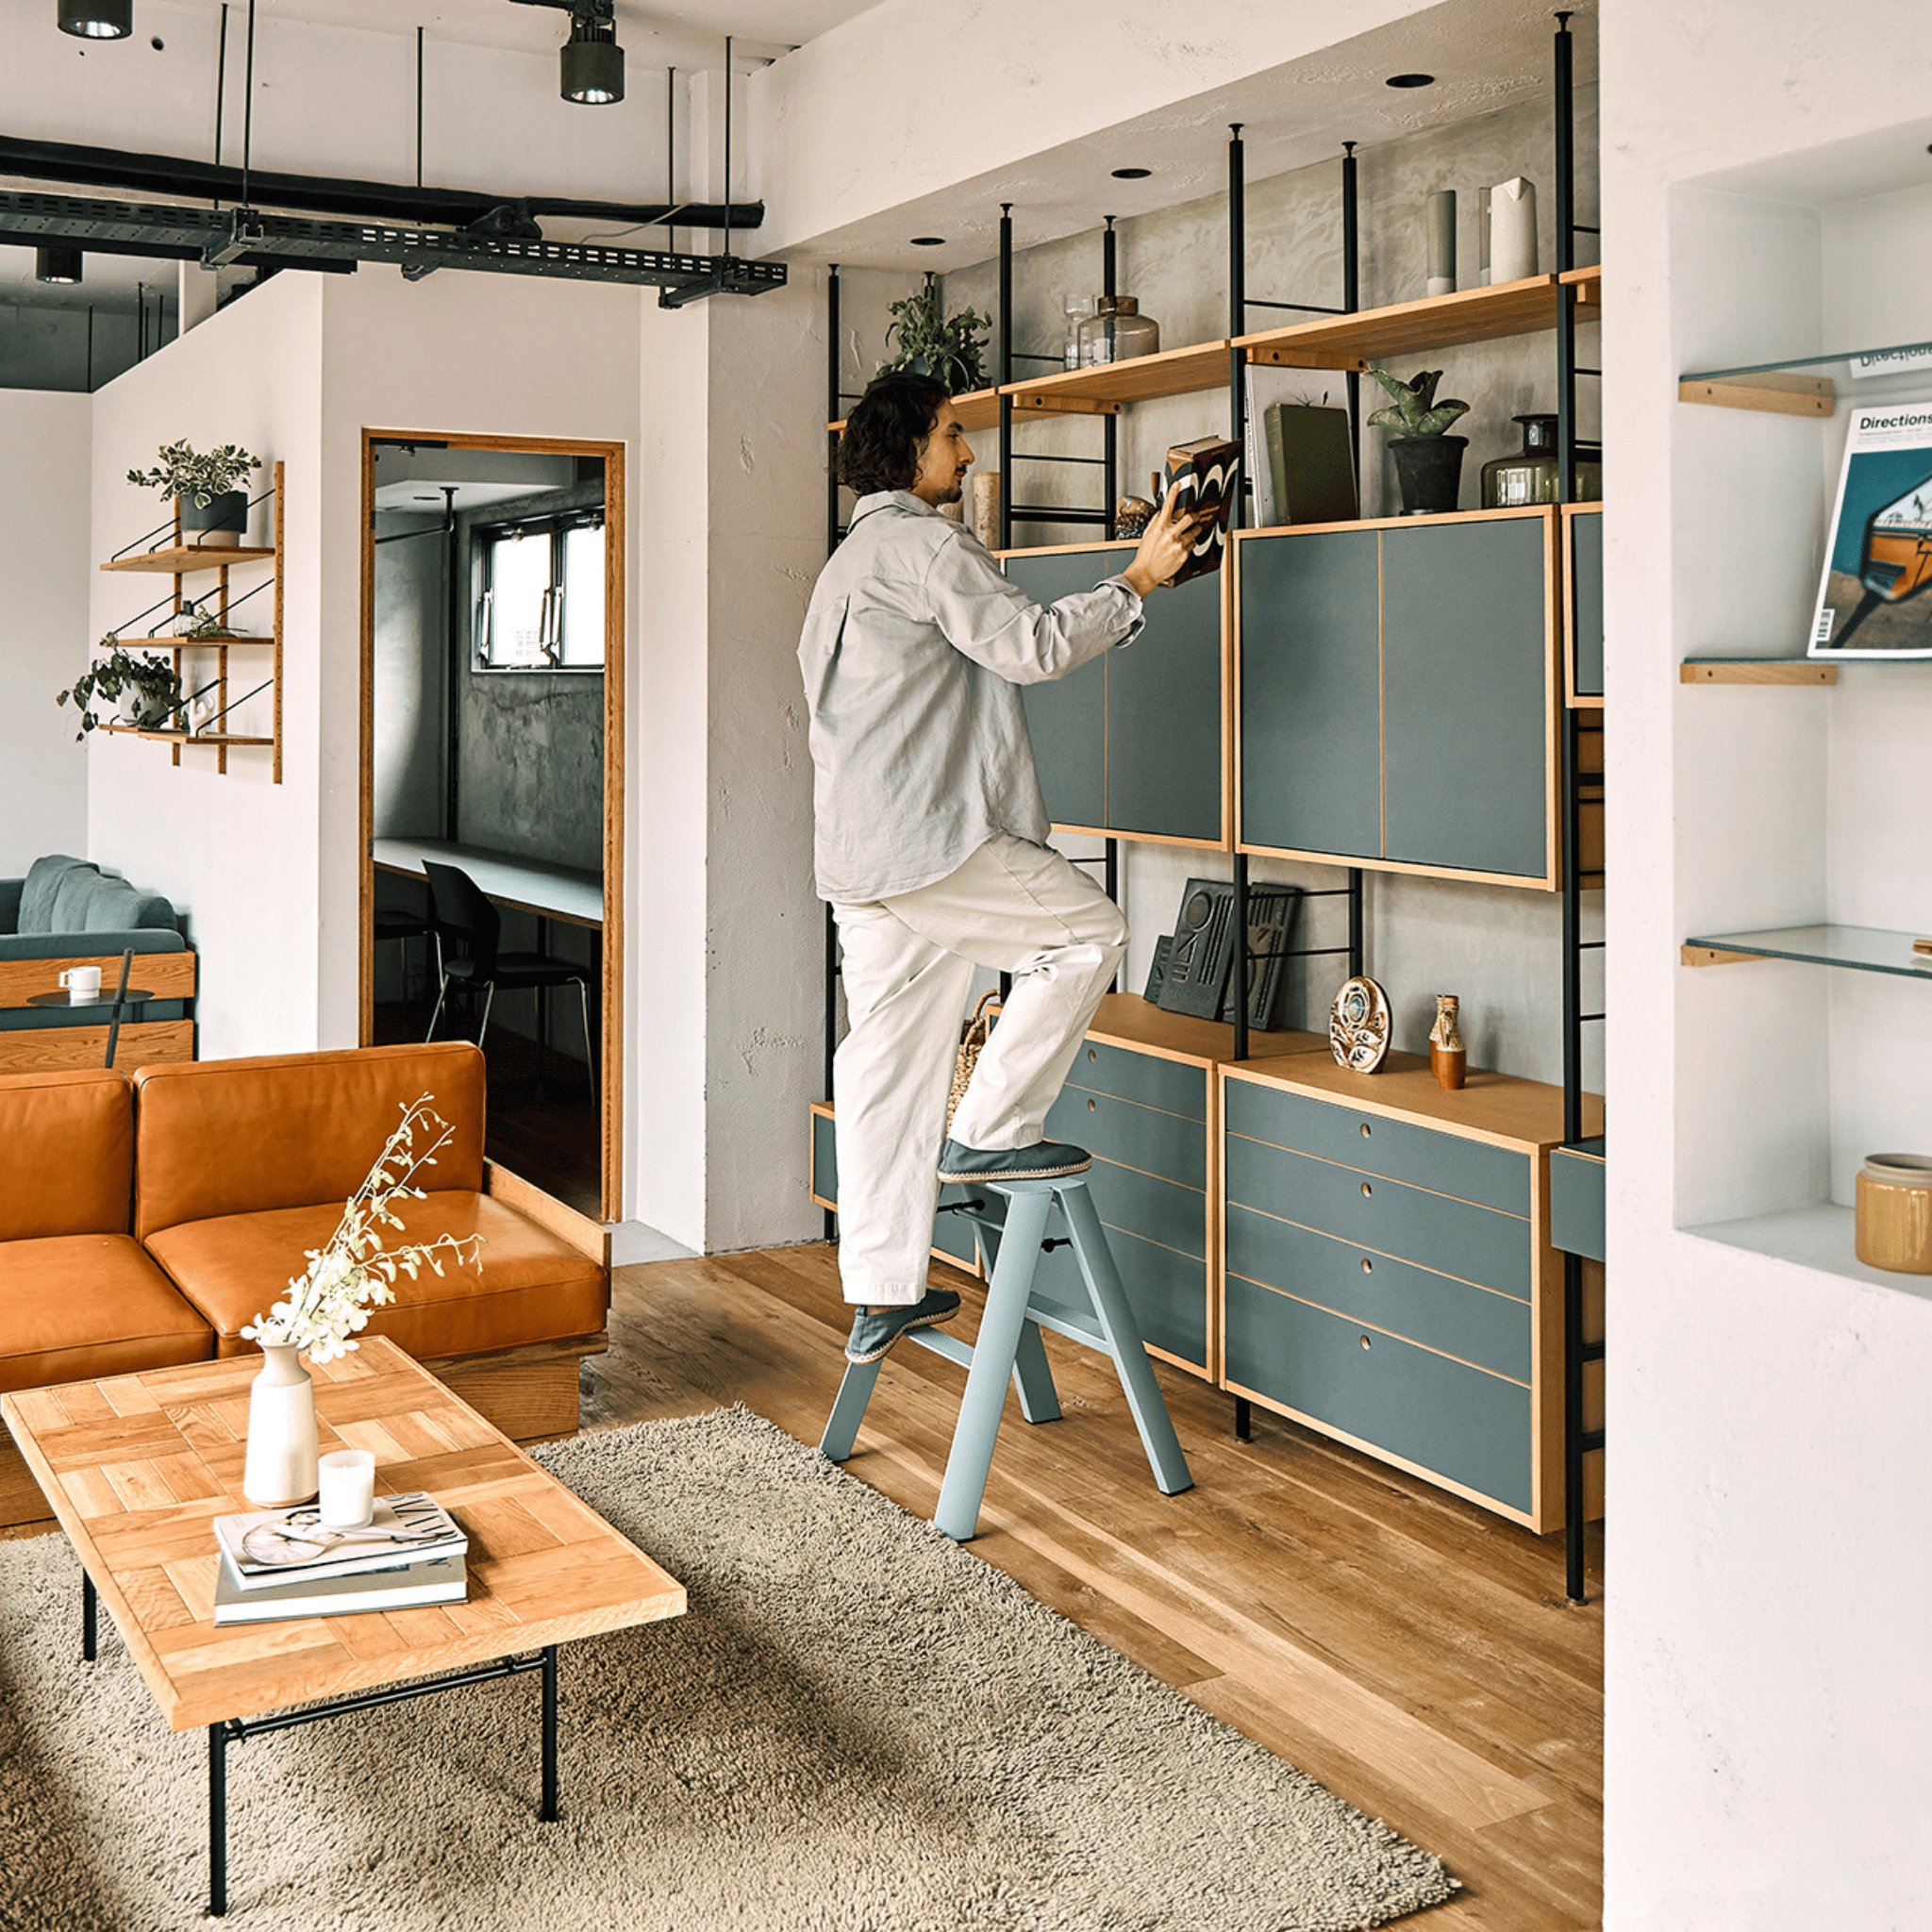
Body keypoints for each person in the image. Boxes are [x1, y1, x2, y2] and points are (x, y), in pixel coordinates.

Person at [799, 373, 1205, 1367]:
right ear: (907, 448)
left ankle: (879, 1288)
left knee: (883, 1063)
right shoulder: (926, 547)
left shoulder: (843, 567)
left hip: (858, 855)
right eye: (951, 434)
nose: (967, 453)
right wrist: (1138, 576)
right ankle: (992, 1125)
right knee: (1090, 934)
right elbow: (1028, 646)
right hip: (930, 838)